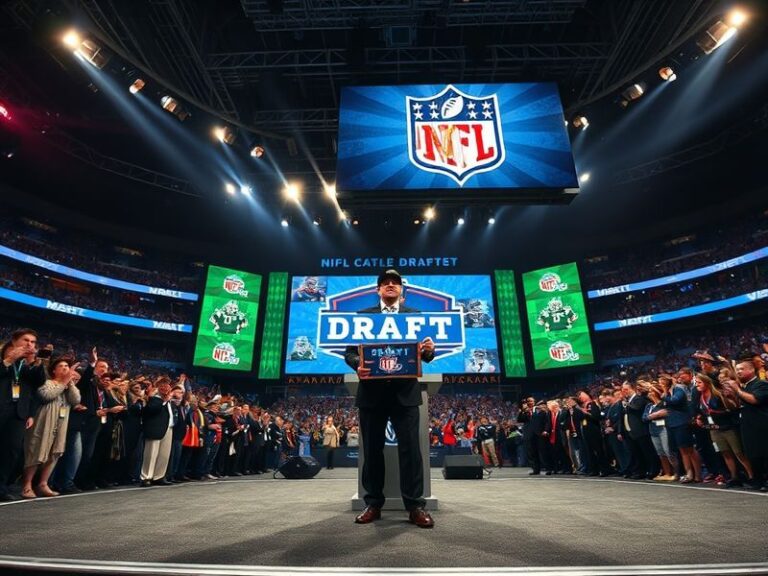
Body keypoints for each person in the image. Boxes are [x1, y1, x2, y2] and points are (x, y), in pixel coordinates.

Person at [344, 269, 436, 528]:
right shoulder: (363, 317)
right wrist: (357, 364)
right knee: (372, 452)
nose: (390, 285)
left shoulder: (415, 316)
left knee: (411, 451)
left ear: (401, 289)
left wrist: (429, 350)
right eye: (385, 283)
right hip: (371, 394)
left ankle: (415, 506)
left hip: (405, 393)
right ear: (378, 290)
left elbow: (426, 354)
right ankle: (373, 504)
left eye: (395, 282)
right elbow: (349, 352)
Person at [20, 356, 81, 498]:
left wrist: (70, 383)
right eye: (61, 366)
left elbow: (76, 400)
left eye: (67, 366)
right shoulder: (46, 382)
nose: (65, 368)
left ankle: (43, 484)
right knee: (36, 451)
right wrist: (63, 382)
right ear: (53, 370)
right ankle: (27, 485)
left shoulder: (68, 386)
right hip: (44, 421)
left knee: (55, 452)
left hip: (61, 423)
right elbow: (46, 395)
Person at [0, 329, 46, 501]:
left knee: (11, 450)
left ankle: (1, 487)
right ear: (14, 341)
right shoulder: (5, 360)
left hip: (19, 414)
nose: (30, 344)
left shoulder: (26, 365)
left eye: (33, 342)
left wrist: (33, 361)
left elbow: (38, 385)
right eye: (26, 340)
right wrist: (8, 361)